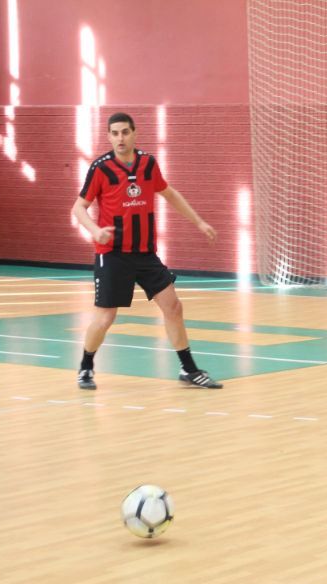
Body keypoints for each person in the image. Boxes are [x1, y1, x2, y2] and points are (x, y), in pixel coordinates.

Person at [73, 112, 222, 391]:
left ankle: (188, 370)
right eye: (115, 133)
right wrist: (94, 230)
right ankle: (86, 367)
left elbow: (170, 193)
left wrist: (199, 222)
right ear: (108, 136)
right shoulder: (100, 168)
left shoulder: (148, 164)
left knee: (173, 306)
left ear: (134, 133)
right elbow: (79, 207)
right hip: (112, 254)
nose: (120, 138)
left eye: (125, 132)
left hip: (145, 253)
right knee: (105, 317)